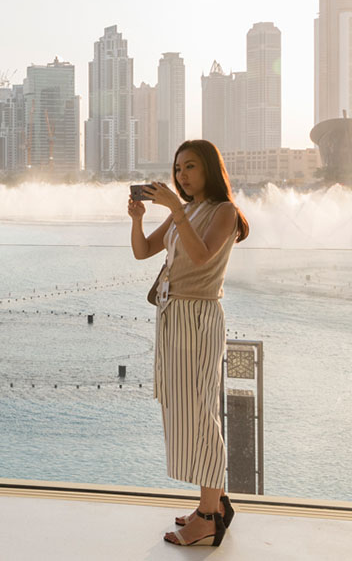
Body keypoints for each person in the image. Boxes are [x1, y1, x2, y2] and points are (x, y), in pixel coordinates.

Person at [127, 140, 250, 547]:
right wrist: (138, 218)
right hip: (172, 316)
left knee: (201, 413)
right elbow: (143, 251)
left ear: (210, 169)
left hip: (198, 318)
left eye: (190, 167)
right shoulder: (190, 210)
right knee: (183, 411)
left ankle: (210, 517)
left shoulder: (223, 212)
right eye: (178, 168)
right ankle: (208, 505)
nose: (181, 176)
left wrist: (175, 211)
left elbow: (200, 258)